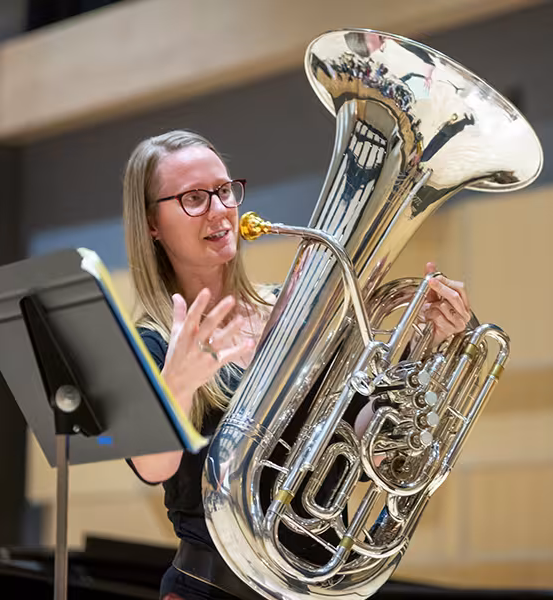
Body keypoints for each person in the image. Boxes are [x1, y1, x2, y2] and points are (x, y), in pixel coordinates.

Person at [122, 130, 473, 600]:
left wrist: (423, 344)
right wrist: (178, 385)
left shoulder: (291, 310)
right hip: (211, 588)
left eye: (224, 190)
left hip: (318, 584)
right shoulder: (152, 339)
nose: (220, 210)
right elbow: (151, 466)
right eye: (193, 198)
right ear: (151, 224)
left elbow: (360, 437)